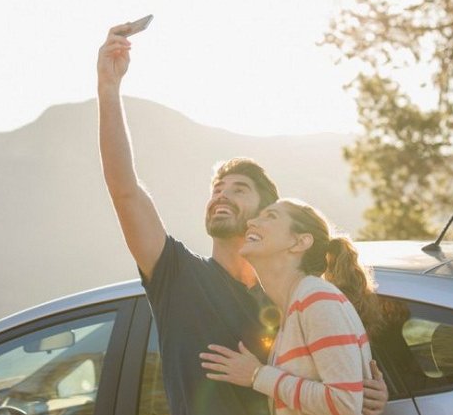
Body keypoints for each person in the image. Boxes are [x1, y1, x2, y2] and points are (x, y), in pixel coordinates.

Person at [96, 21, 388, 415]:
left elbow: (342, 380)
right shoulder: (177, 275)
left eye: (238, 190)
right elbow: (125, 191)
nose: (221, 195)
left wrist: (373, 394)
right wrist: (108, 89)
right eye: (217, 188)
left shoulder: (293, 296)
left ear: (262, 218)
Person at [200, 199, 380, 414]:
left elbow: (344, 404)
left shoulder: (316, 299)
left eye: (271, 216)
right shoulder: (296, 307)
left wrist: (257, 375)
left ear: (300, 242)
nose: (251, 222)